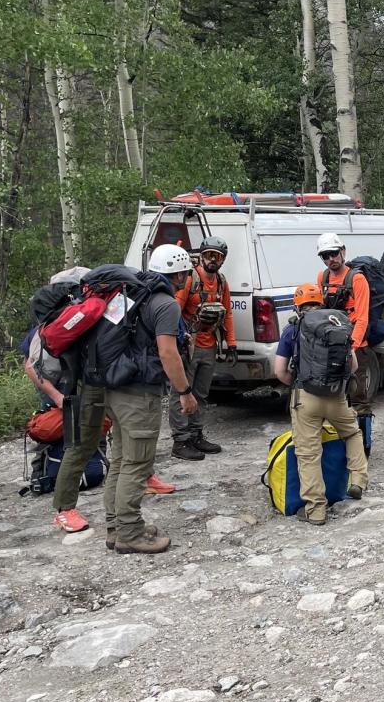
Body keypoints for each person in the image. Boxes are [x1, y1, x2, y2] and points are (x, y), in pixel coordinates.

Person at [28, 268, 174, 535]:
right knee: (81, 446)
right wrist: (57, 397)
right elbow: (31, 364)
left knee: (117, 442)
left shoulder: (97, 308)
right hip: (76, 389)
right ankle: (64, 509)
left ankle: (133, 490)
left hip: (93, 384)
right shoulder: (74, 313)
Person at [98, 244, 197, 554]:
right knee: (137, 464)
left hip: (114, 386)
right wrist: (185, 391)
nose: (186, 279)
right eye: (185, 274)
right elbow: (168, 352)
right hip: (139, 393)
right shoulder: (166, 303)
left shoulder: (129, 295)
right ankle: (130, 532)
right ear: (179, 273)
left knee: (120, 461)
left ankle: (117, 527)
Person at [273, 282, 368, 525]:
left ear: (297, 305)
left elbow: (279, 371)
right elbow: (354, 366)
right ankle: (357, 481)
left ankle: (315, 510)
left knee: (308, 453)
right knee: (352, 433)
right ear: (321, 302)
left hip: (305, 397)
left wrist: (297, 384)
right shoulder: (337, 324)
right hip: (337, 396)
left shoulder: (292, 329)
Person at [170, 236, 235, 460]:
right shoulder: (191, 279)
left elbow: (227, 313)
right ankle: (181, 440)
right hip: (189, 345)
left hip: (209, 345)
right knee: (181, 393)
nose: (212, 260)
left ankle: (196, 435)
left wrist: (231, 343)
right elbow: (175, 309)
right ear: (202, 256)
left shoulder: (222, 282)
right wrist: (178, 338)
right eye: (208, 255)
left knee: (201, 394)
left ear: (223, 260)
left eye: (217, 256)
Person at [315, 232, 374, 427]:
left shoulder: (357, 279)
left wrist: (352, 348)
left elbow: (363, 317)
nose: (330, 259)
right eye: (325, 255)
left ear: (342, 251)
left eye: (333, 253)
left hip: (355, 345)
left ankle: (363, 445)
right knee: (332, 397)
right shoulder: (322, 277)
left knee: (358, 397)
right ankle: (337, 443)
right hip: (332, 346)